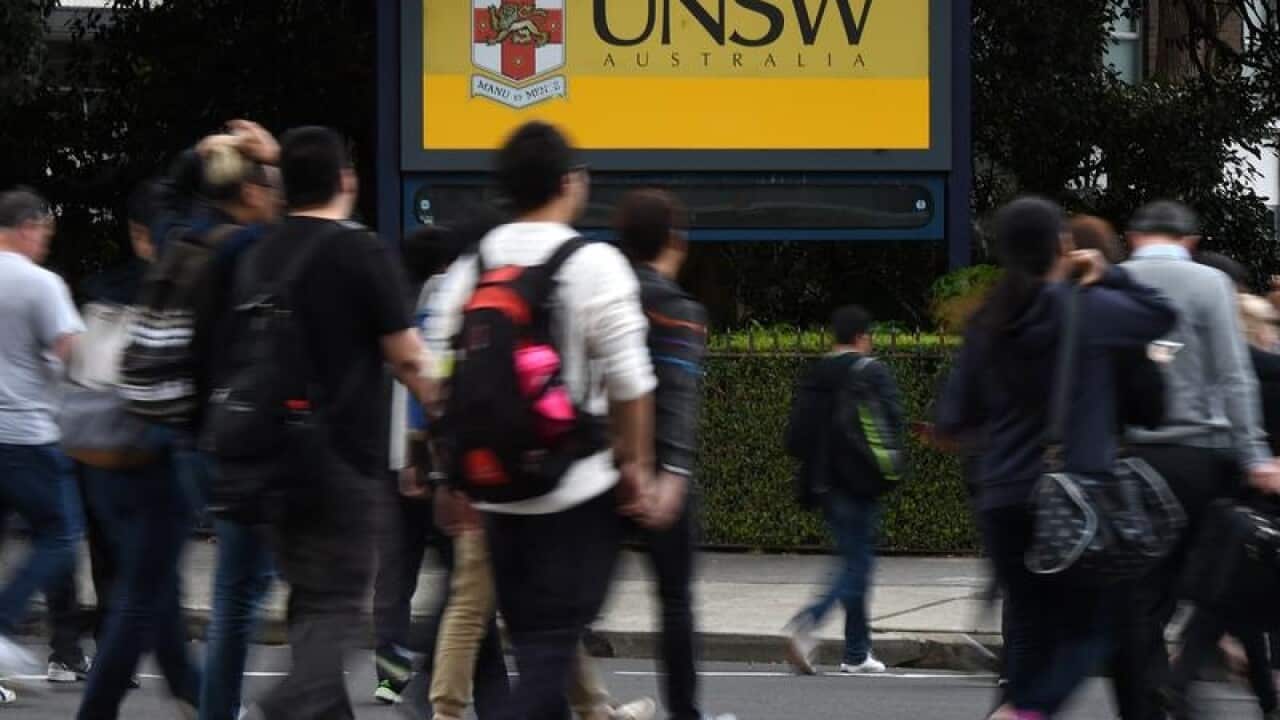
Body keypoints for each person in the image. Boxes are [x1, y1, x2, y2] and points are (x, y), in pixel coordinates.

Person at [428, 120, 657, 720]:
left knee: (539, 650)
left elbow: (436, 376)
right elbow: (632, 381)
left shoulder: (473, 265)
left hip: (497, 498)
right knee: (551, 650)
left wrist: (450, 474)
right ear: (569, 182)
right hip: (576, 494)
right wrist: (635, 465)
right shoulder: (593, 262)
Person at [935, 196, 1176, 720]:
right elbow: (1161, 313)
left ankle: (1017, 705)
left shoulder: (987, 322)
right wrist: (1108, 272)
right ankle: (1019, 713)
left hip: (1002, 498)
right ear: (1062, 245)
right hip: (1074, 499)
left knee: (1031, 627)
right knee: (1094, 629)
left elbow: (953, 419)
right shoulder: (1087, 310)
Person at [237, 126, 434, 720]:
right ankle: (280, 705)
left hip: (269, 461)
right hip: (340, 462)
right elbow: (408, 359)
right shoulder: (358, 250)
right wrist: (449, 408)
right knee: (337, 606)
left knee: (309, 600)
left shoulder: (262, 251)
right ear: (346, 179)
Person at [1111, 200, 1280, 720]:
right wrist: (1254, 454)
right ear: (1189, 241)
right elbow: (1233, 374)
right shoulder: (1210, 283)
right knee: (1218, 581)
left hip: (1136, 456)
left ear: (1133, 236)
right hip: (1204, 456)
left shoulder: (1114, 281)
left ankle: (1152, 697)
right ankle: (1188, 685)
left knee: (1142, 596)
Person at [615, 188, 738, 720]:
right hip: (663, 475)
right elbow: (679, 397)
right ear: (675, 241)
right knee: (674, 602)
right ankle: (684, 713)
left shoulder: (606, 299)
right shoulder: (681, 311)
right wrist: (673, 470)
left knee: (577, 601)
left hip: (607, 467)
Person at [190, 123, 284, 720]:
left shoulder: (195, 240)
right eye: (267, 185)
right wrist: (273, 157)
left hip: (211, 432)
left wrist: (203, 157)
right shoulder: (253, 249)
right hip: (256, 436)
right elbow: (309, 226)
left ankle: (218, 708)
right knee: (249, 590)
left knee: (234, 590)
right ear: (251, 192)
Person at [1161, 292, 1280, 720]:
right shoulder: (1265, 373)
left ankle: (1262, 697)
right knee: (1234, 598)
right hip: (1263, 502)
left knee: (1228, 599)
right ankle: (1182, 683)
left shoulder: (1212, 374)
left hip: (1224, 500)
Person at [372, 223, 468, 706]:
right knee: (458, 578)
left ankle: (389, 679)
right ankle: (438, 673)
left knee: (396, 577)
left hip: (392, 463)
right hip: (429, 460)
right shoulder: (443, 297)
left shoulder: (391, 303)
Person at [784, 305, 903, 677]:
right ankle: (809, 622)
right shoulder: (871, 372)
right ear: (862, 337)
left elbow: (795, 436)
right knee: (857, 564)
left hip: (824, 483)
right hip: (860, 482)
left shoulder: (817, 372)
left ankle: (856, 651)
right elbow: (893, 421)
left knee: (854, 559)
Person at [0, 189, 86, 703]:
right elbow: (71, 354)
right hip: (27, 433)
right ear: (28, 227)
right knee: (60, 532)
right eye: (44, 234)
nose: (45, 245)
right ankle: (4, 622)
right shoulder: (41, 283)